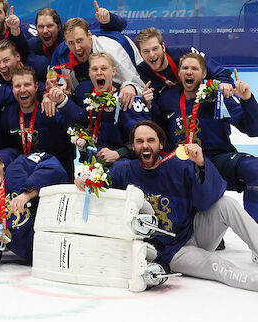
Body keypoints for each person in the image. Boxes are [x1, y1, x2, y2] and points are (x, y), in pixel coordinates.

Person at [88, 120, 258, 291]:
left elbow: (209, 199)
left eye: (151, 140)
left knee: (226, 204)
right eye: (140, 141)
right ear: (133, 145)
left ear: (161, 143)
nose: (145, 145)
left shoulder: (179, 165)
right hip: (170, 252)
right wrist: (85, 183)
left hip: (193, 233)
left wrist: (201, 164)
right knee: (215, 263)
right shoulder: (122, 170)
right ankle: (254, 282)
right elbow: (99, 191)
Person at [155, 53, 258, 224]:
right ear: (179, 73)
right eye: (185, 68)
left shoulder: (217, 96)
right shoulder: (166, 98)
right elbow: (156, 134)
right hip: (182, 163)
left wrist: (247, 99)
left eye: (194, 68)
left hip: (217, 160)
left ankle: (255, 238)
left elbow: (253, 129)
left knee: (254, 169)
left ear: (204, 74)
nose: (189, 72)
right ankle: (202, 226)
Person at [0, 147, 67, 265]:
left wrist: (29, 192)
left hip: (59, 240)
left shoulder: (18, 168)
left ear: (2, 163)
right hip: (35, 259)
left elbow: (55, 168)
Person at [48, 52, 151, 164]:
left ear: (113, 72)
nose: (99, 72)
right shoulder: (82, 91)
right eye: (94, 69)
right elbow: (80, 119)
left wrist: (119, 153)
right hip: (88, 164)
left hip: (119, 165)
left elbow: (146, 139)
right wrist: (62, 100)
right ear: (89, 72)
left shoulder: (126, 99)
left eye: (104, 68)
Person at [49, 17, 144, 109]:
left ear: (89, 35)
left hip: (121, 91)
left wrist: (131, 87)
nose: (77, 47)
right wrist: (58, 93)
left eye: (80, 40)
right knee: (83, 90)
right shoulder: (61, 56)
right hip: (87, 99)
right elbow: (60, 89)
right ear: (66, 43)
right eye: (71, 43)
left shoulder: (113, 49)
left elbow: (140, 85)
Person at [0, 66, 75, 180]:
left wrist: (62, 99)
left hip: (56, 173)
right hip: (25, 173)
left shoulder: (50, 108)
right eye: (17, 86)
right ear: (12, 89)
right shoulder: (8, 114)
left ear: (36, 87)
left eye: (27, 85)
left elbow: (75, 125)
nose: (22, 89)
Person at [135, 27, 233, 98]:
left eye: (155, 49)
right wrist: (148, 102)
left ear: (163, 47)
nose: (151, 55)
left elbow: (222, 74)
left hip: (199, 104)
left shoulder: (188, 54)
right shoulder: (141, 71)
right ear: (140, 53)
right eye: (146, 51)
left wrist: (224, 84)